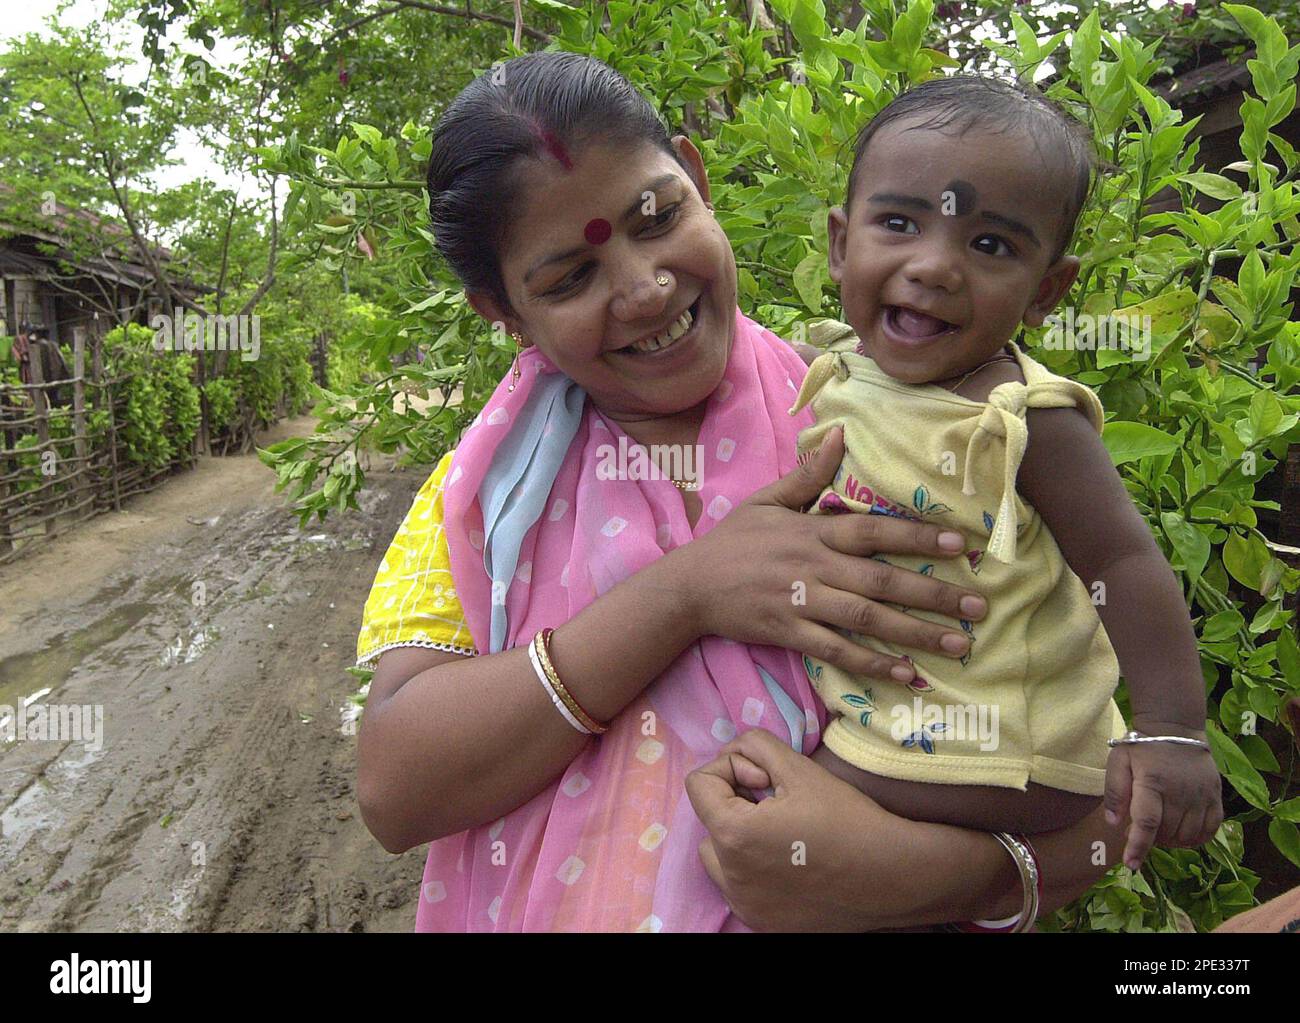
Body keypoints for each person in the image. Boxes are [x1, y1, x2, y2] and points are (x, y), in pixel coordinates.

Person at [355, 51, 1131, 932]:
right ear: (502, 311)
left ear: (696, 172)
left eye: (658, 215)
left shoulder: (883, 426)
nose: (645, 288)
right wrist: (686, 594)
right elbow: (394, 791)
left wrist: (934, 876)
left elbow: (1095, 780)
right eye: (570, 278)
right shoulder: (487, 502)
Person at [785, 76, 1222, 873]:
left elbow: (1123, 561)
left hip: (999, 747)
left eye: (990, 246)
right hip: (895, 722)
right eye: (897, 222)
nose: (935, 266)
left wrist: (1170, 730)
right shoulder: (832, 369)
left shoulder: (1026, 417)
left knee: (771, 815)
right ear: (842, 244)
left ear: (1047, 291)